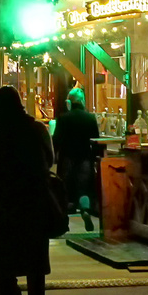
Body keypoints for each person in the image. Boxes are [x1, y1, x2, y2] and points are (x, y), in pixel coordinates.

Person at [0, 86, 57, 295]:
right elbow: (49, 160)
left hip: (4, 203)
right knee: (35, 261)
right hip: (33, 200)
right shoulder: (36, 128)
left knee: (3, 261)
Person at [52, 87, 101, 229]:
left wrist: (54, 156)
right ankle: (85, 210)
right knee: (84, 189)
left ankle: (66, 219)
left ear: (70, 102)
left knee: (67, 189)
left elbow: (57, 140)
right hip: (85, 158)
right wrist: (94, 157)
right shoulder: (90, 118)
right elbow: (96, 141)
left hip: (67, 159)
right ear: (83, 101)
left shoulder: (63, 118)